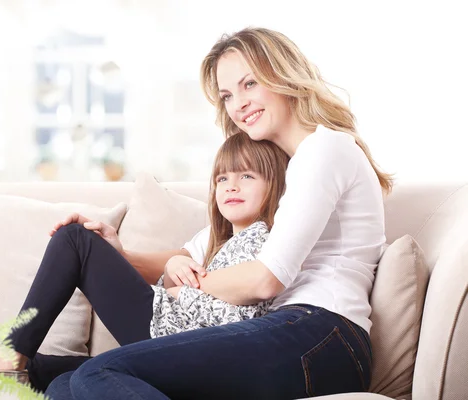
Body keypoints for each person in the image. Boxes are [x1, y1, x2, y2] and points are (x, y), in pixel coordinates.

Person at [43, 27, 393, 399]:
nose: (238, 103)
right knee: (66, 386)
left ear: (284, 76)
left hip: (321, 334)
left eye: (250, 84)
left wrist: (184, 288)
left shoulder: (324, 150)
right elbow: (195, 256)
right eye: (227, 95)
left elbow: (265, 280)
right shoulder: (279, 173)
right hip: (291, 333)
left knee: (99, 371)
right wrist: (122, 256)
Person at [0, 133, 289, 391]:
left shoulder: (263, 240)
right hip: (166, 330)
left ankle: (8, 359)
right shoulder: (216, 241)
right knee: (61, 382)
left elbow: (242, 322)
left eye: (246, 176)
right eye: (223, 178)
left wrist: (179, 292)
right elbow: (174, 279)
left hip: (178, 340)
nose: (231, 186)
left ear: (274, 185)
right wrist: (169, 270)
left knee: (74, 238)